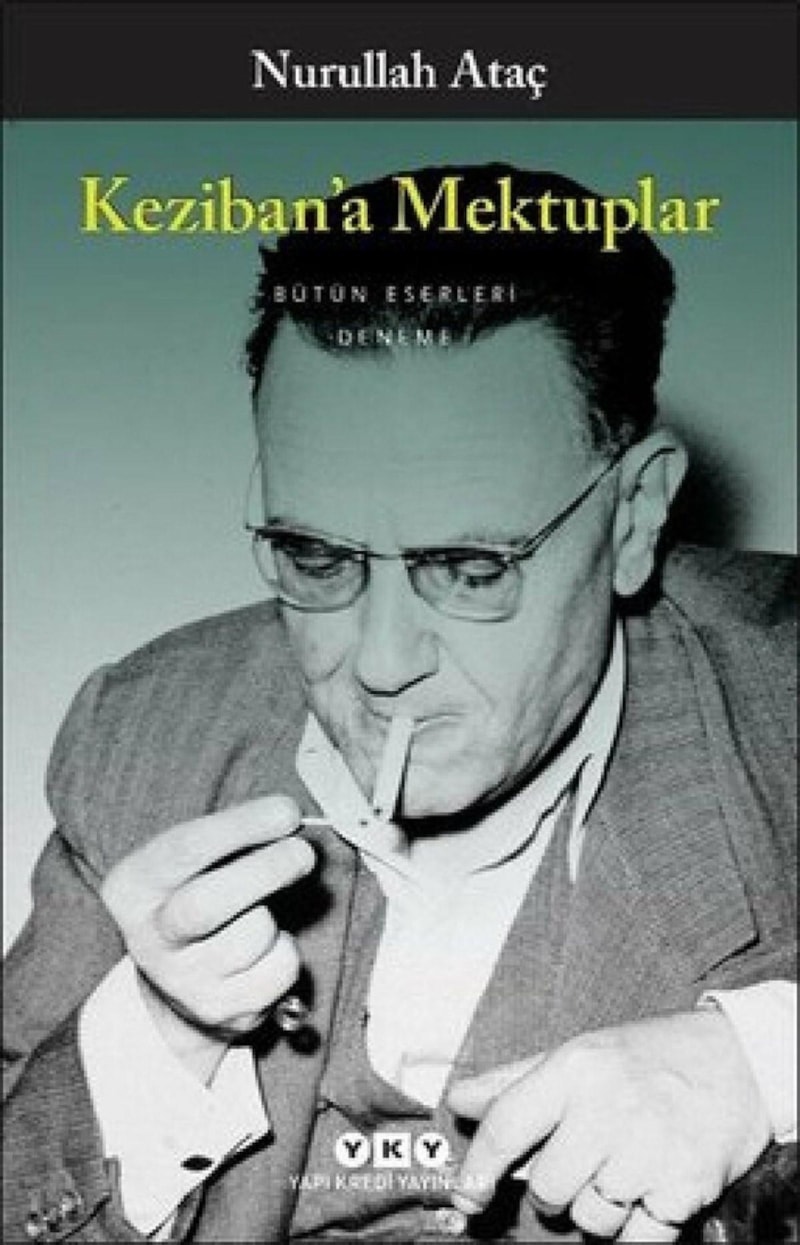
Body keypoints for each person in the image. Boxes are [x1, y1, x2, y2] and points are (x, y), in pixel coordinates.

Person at [3, 164, 796, 1245]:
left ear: (631, 518)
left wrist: (766, 1058)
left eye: (468, 567)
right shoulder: (143, 735)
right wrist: (151, 1036)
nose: (379, 662)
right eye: (315, 555)